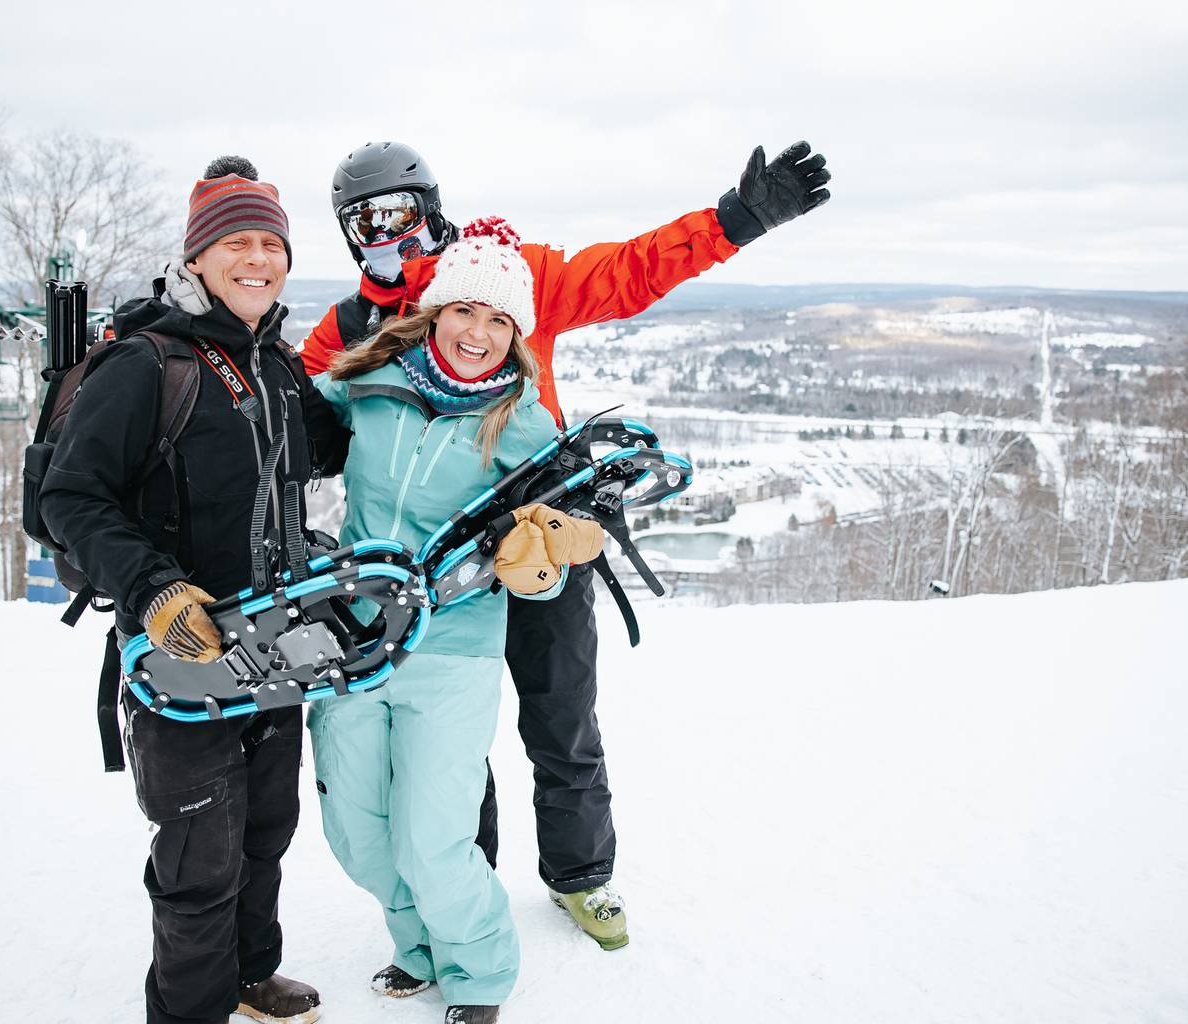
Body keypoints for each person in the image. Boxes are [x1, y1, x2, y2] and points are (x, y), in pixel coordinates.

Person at [301, 138, 831, 950]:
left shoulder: (505, 272)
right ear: (347, 234)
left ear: (430, 208)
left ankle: (581, 877)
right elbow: (290, 419)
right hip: (428, 577)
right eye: (366, 221)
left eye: (401, 213)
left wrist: (735, 220)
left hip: (536, 536)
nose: (388, 232)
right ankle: (456, 890)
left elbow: (625, 272)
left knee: (561, 716)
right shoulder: (346, 328)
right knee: (443, 743)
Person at [40, 156, 349, 1024]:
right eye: (237, 242)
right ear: (200, 257)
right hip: (177, 659)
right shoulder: (148, 364)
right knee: (198, 858)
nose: (258, 259)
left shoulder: (279, 367)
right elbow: (70, 497)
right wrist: (154, 591)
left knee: (263, 833)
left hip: (274, 650)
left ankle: (252, 974)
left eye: (271, 243)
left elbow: (337, 448)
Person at [309, 217, 606, 1024]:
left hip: (456, 648)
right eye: (466, 312)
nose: (478, 333)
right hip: (355, 636)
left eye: (500, 320)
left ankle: (476, 975)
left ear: (518, 334)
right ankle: (419, 949)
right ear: (434, 311)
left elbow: (554, 556)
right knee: (358, 833)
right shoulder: (366, 383)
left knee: (433, 838)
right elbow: (277, 443)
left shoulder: (526, 425)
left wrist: (544, 566)